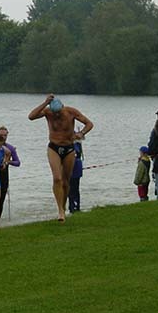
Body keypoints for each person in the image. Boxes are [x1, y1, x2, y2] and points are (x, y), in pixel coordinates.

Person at [28, 94, 94, 222]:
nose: (56, 115)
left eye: (58, 112)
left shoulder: (71, 112)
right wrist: (45, 103)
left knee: (65, 181)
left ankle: (63, 206)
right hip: (54, 147)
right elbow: (31, 116)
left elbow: (89, 124)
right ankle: (60, 211)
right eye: (54, 112)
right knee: (57, 178)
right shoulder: (48, 112)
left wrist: (81, 133)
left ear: (62, 108)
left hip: (69, 148)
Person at [0, 126, 21, 225]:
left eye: (5, 135)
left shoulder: (10, 148)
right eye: (1, 135)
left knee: (0, 201)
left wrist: (8, 162)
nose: (4, 137)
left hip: (4, 177)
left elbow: (18, 163)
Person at [68, 139, 83, 212]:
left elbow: (77, 153)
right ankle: (72, 206)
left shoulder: (76, 142)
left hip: (75, 167)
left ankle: (75, 206)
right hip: (69, 168)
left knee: (74, 188)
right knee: (70, 188)